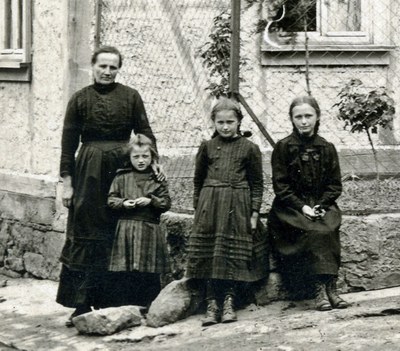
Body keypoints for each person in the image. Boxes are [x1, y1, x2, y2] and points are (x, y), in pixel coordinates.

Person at [56, 46, 162, 326]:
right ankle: (81, 305)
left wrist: (154, 162)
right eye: (102, 66)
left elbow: (145, 131)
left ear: (119, 69)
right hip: (89, 172)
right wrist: (67, 183)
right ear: (93, 66)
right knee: (87, 232)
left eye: (113, 67)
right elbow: (68, 144)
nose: (107, 71)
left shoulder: (131, 96)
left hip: (123, 169)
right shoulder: (80, 99)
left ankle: (122, 301)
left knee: (122, 230)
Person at [186, 97, 268, 326]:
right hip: (210, 206)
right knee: (211, 254)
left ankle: (230, 301)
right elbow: (197, 180)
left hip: (237, 206)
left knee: (231, 255)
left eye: (230, 122)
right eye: (220, 122)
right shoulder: (207, 147)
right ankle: (212, 303)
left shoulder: (250, 149)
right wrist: (198, 210)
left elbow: (257, 184)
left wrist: (254, 213)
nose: (225, 126)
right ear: (213, 122)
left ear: (239, 122)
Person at [268, 95, 349, 311]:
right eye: (298, 117)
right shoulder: (284, 147)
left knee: (329, 226)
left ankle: (331, 287)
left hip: (321, 203)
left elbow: (334, 185)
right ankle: (318, 288)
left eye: (308, 116)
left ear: (317, 117)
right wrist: (303, 207)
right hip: (291, 208)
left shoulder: (327, 147)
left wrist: (321, 204)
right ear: (292, 119)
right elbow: (281, 187)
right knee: (313, 230)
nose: (304, 121)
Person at [106, 134, 171, 307]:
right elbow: (111, 200)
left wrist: (152, 201)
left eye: (145, 156)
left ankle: (149, 303)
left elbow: (166, 203)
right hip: (126, 228)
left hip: (149, 228)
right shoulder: (121, 177)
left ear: (152, 157)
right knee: (126, 267)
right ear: (129, 158)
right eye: (136, 156)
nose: (141, 160)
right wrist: (123, 203)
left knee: (149, 267)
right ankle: (127, 304)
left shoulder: (157, 178)